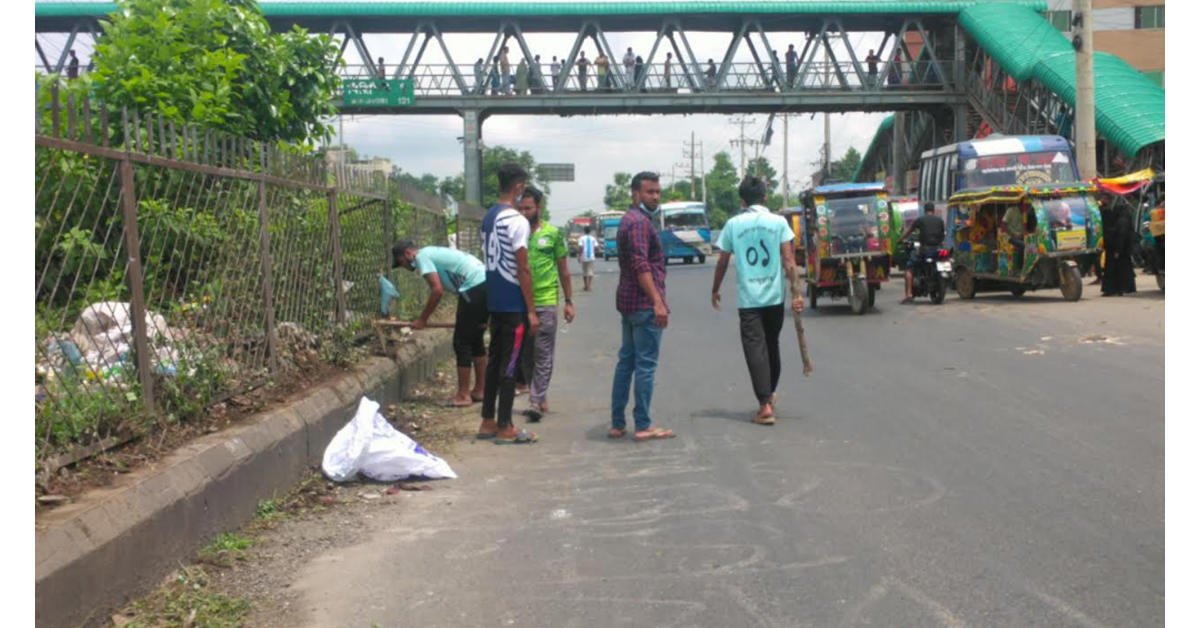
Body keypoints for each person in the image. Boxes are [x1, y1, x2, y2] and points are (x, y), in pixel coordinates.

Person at [711, 176, 804, 425]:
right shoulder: (778, 222)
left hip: (749, 300)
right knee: (771, 344)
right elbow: (788, 259)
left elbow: (722, 260)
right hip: (774, 298)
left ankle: (764, 405)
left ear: (742, 201)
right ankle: (769, 395)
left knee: (755, 349)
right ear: (765, 197)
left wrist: (715, 289)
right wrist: (797, 292)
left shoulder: (732, 224)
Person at [610, 172, 675, 442]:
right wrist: (657, 302)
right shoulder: (637, 222)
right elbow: (640, 264)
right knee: (645, 365)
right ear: (636, 194)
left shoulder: (632, 220)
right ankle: (643, 424)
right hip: (643, 304)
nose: (655, 196)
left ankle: (617, 423)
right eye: (650, 192)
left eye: (658, 192)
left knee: (626, 362)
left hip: (629, 303)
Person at [479, 162, 540, 444]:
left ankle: (488, 421)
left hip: (495, 299)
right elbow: (523, 268)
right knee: (510, 363)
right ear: (518, 187)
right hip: (514, 302)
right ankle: (506, 426)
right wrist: (531, 309)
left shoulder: (489, 217)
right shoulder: (516, 220)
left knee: (494, 362)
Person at [392, 241, 488, 407]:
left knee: (462, 342)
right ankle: (480, 390)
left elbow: (437, 290)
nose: (406, 267)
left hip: (473, 285)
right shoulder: (431, 251)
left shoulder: (422, 256)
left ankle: (463, 395)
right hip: (485, 282)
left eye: (402, 262)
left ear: (408, 254)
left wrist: (422, 319)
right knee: (475, 339)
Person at [515, 186, 575, 420]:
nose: (523, 212)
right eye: (520, 208)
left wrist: (569, 301)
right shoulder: (516, 235)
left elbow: (564, 271)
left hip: (546, 302)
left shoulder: (552, 234)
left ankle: (534, 400)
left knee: (543, 353)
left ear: (538, 208)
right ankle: (539, 394)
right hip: (520, 302)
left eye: (528, 208)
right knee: (526, 355)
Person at [898, 202, 945, 303]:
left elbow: (909, 231)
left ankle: (909, 294)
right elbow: (942, 235)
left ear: (924, 210)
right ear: (933, 210)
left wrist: (900, 240)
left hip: (925, 249)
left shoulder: (920, 220)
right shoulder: (940, 220)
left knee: (910, 265)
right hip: (938, 249)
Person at [1102, 205, 1137, 296]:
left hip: (1120, 250)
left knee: (1119, 270)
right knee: (1124, 269)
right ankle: (1124, 289)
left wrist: (1118, 250)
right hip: (1124, 250)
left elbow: (1121, 236)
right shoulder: (1125, 219)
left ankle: (1120, 289)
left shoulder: (1121, 221)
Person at [578, 225, 599, 291]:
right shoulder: (593, 238)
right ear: (590, 231)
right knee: (590, 271)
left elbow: (581, 247)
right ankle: (589, 286)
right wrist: (593, 252)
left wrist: (579, 256)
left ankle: (585, 285)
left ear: (584, 231)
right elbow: (596, 247)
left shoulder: (581, 238)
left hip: (584, 256)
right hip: (591, 256)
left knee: (584, 271)